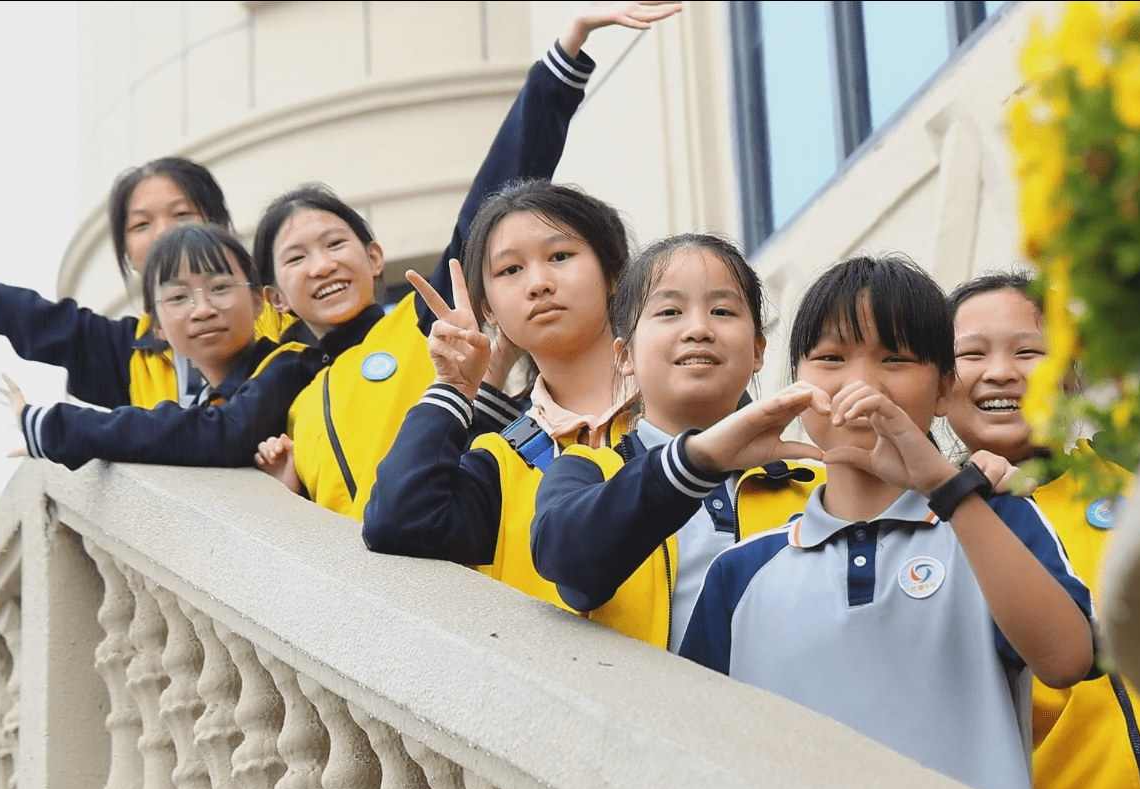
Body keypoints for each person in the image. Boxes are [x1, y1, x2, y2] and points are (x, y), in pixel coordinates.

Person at [678, 254, 1097, 789]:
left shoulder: (997, 520)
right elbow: (689, 746)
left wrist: (946, 489)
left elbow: (1066, 659)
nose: (861, 385)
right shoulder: (740, 572)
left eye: (895, 359)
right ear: (796, 382)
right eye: (831, 357)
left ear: (946, 389)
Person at [252, 3, 681, 519]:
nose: (322, 266)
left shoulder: (423, 321)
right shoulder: (287, 399)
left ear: (374, 257)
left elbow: (495, 200)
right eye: (296, 257)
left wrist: (561, 59)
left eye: (336, 244)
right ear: (274, 295)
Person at [944, 271, 1140, 789]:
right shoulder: (929, 539)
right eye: (971, 354)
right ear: (934, 387)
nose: (1000, 373)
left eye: (1028, 352)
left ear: (1071, 376)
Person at [360, 179, 643, 619]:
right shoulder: (505, 459)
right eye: (510, 270)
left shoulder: (683, 405)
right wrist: (454, 387)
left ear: (613, 275)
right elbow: (398, 519)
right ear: (488, 310)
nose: (538, 284)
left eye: (560, 257)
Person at [529, 233, 824, 650]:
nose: (698, 329)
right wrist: (693, 463)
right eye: (669, 311)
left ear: (758, 349)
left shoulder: (816, 484)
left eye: (722, 311)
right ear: (624, 356)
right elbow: (567, 562)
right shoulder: (584, 471)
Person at [0, 156, 290, 410]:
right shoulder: (128, 353)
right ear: (127, 251)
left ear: (218, 225)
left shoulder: (283, 306)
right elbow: (18, 312)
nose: (163, 233)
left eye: (182, 215)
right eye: (141, 224)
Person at [1, 224, 314, 468]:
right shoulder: (208, 403)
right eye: (178, 297)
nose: (202, 309)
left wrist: (61, 429)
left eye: (219, 288)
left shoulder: (289, 365)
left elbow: (223, 434)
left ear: (259, 301)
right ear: (158, 327)